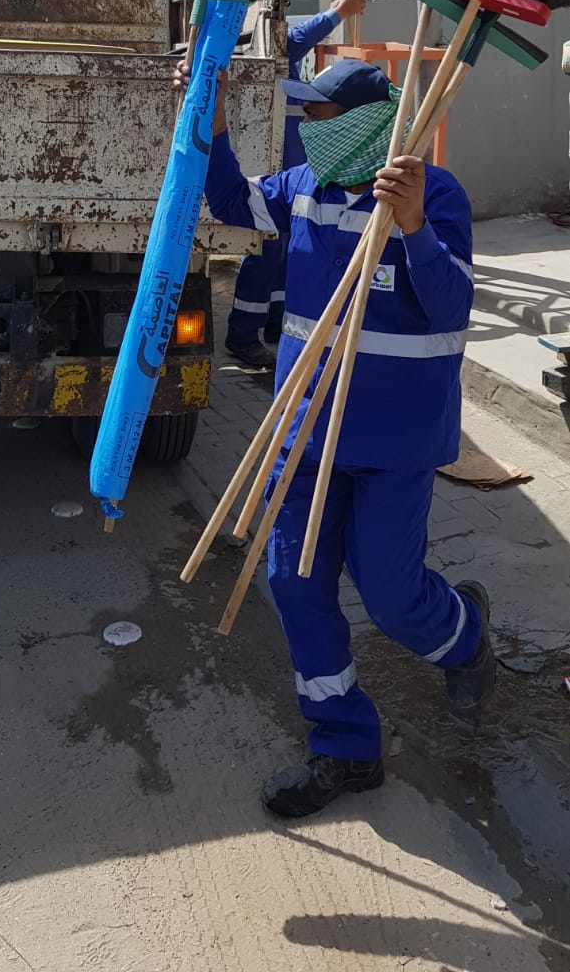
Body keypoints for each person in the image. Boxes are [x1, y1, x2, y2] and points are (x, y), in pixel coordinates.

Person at [174, 55, 496, 819]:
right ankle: (343, 746)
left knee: (390, 598)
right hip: (305, 431)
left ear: (358, 121)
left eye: (316, 116)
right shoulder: (302, 190)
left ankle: (465, 635)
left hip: (394, 441)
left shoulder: (433, 193)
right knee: (291, 583)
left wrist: (413, 227)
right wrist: (213, 116)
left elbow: (450, 310)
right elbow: (226, 197)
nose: (304, 128)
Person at [225, 0, 368, 370]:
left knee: (288, 255)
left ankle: (274, 322)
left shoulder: (290, 75)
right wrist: (339, 12)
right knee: (267, 252)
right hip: (277, 181)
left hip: (296, 179)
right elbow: (294, 39)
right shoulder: (277, 62)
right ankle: (242, 334)